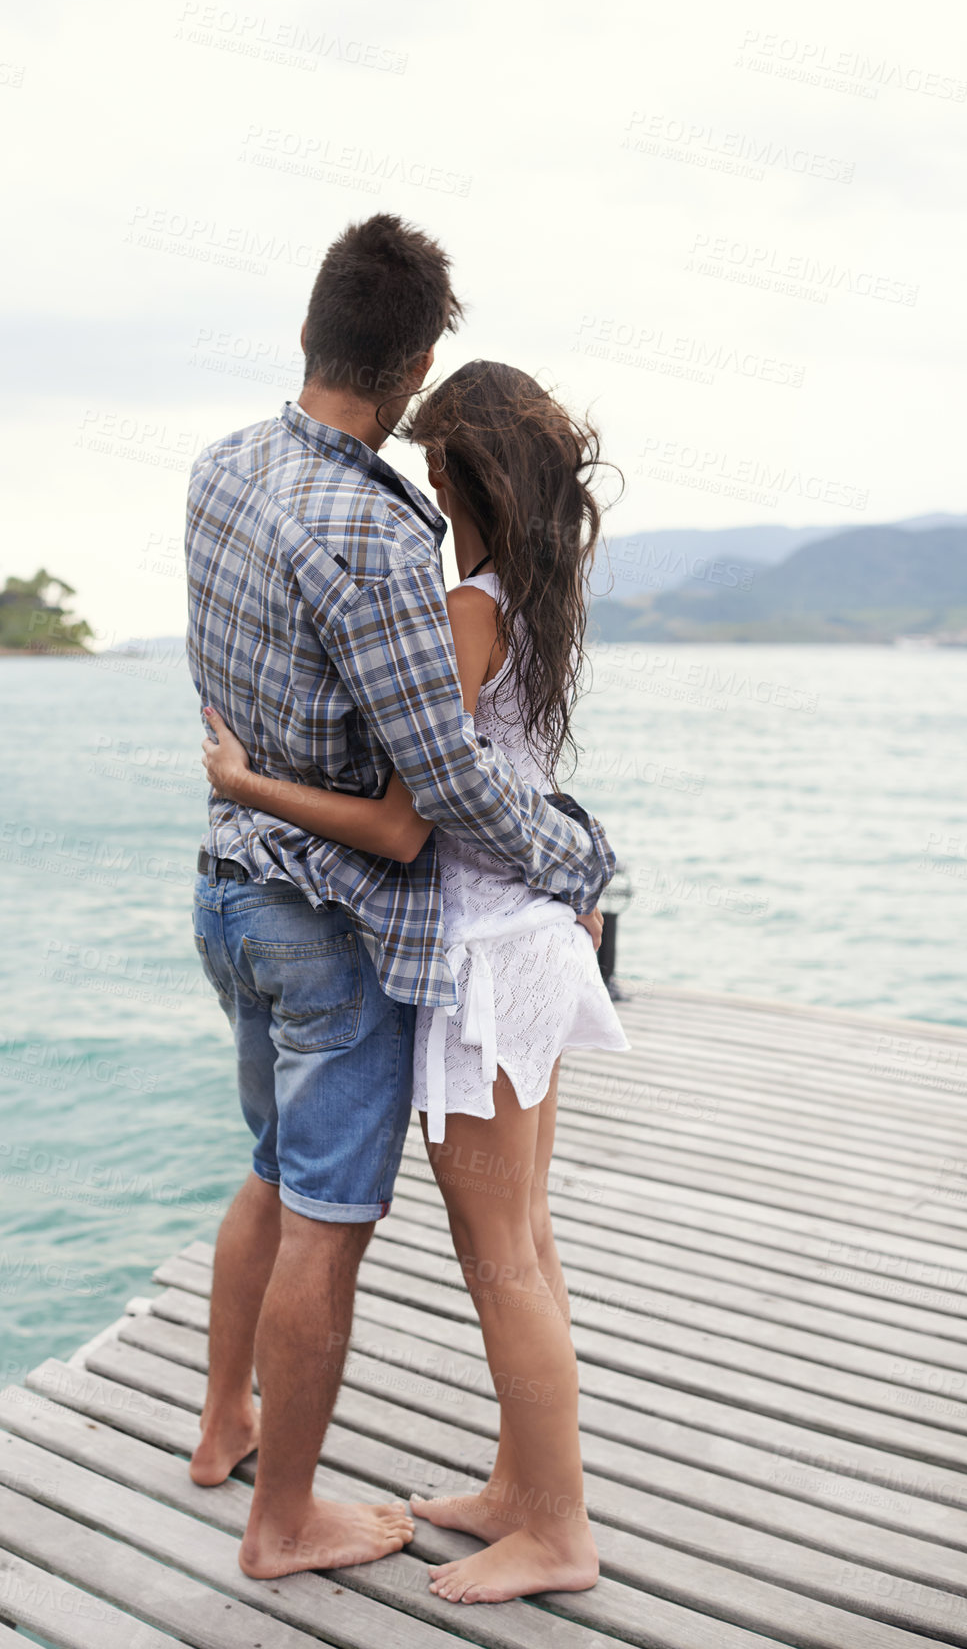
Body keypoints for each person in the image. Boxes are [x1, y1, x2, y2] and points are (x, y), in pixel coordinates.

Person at [184, 215, 614, 1588]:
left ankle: (542, 1521)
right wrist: (582, 861)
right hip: (426, 935)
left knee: (469, 1246)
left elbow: (418, 791)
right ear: (415, 353)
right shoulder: (468, 577)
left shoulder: (225, 472)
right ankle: (489, 1494)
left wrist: (245, 785)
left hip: (328, 918)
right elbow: (439, 788)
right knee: (491, 1244)